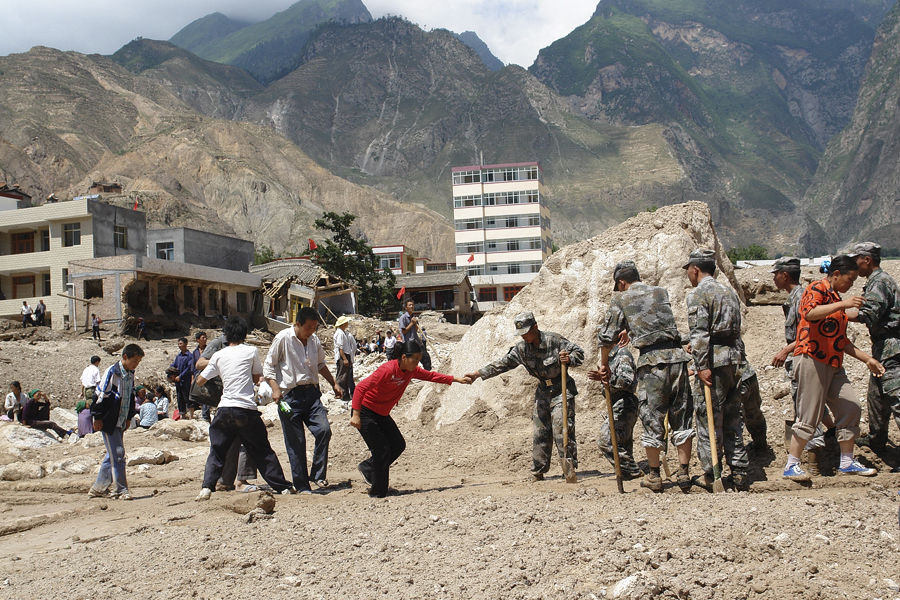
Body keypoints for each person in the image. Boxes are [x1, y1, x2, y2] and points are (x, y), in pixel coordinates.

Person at [594, 260, 695, 492]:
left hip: (652, 363)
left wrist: (603, 364)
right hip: (678, 359)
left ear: (621, 282)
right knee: (682, 416)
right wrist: (630, 331)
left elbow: (606, 336)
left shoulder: (621, 298)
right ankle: (683, 473)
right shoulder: (661, 292)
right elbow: (656, 323)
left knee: (652, 417)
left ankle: (654, 475)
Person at [783, 255, 885, 481]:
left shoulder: (835, 297)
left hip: (833, 362)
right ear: (836, 275)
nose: (851, 284)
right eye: (849, 279)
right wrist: (843, 305)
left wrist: (867, 359)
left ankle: (847, 461)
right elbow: (808, 313)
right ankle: (792, 465)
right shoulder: (817, 289)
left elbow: (841, 340)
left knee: (850, 407)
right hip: (811, 358)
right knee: (809, 414)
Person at [465, 312, 584, 481]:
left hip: (561, 390)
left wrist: (570, 358)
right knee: (540, 431)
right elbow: (503, 363)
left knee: (562, 428)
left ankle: (569, 469)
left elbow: (579, 353)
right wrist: (477, 374)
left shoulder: (554, 340)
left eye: (527, 332)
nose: (524, 336)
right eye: (521, 333)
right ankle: (538, 471)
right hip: (543, 392)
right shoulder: (521, 349)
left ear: (535, 327)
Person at [352, 339, 470, 497]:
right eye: (414, 359)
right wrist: (356, 414)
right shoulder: (387, 370)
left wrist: (456, 379)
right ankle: (378, 492)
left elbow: (431, 376)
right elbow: (360, 387)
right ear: (403, 358)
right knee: (382, 449)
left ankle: (368, 468)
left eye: (418, 360)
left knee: (398, 444)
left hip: (381, 413)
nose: (417, 363)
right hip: (366, 411)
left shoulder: (411, 371)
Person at [196, 316, 294, 501]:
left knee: (217, 450)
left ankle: (206, 488)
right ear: (244, 334)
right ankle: (282, 487)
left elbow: (200, 380)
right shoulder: (251, 351)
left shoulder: (218, 355)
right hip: (246, 410)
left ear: (226, 336)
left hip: (224, 409)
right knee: (262, 450)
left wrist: (221, 373)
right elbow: (258, 376)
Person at [684, 249, 750, 491]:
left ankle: (712, 473)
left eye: (689, 271)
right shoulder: (729, 292)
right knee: (734, 416)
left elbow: (700, 334)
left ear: (695, 269)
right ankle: (740, 471)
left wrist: (701, 366)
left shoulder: (698, 294)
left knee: (707, 417)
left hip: (714, 360)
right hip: (733, 359)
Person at [263, 306, 342, 493]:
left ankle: (317, 475)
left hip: (312, 394)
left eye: (314, 328)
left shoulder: (313, 340)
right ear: (297, 324)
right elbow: (269, 367)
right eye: (308, 327)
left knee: (324, 430)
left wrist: (333, 383)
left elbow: (321, 364)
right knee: (296, 442)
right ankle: (301, 485)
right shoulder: (283, 338)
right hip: (289, 397)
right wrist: (275, 389)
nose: (311, 331)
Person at [770, 256, 828, 473]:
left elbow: (809, 332)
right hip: (801, 357)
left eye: (776, 275)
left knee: (807, 410)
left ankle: (813, 463)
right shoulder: (795, 297)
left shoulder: (802, 297)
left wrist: (786, 350)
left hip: (805, 358)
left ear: (785, 275)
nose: (774, 279)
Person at [850, 242, 900, 462]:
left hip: (891, 349)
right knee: (877, 398)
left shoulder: (879, 282)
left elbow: (869, 314)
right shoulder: (876, 281)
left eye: (856, 260)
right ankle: (877, 440)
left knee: (895, 398)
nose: (854, 265)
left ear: (867, 260)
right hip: (882, 348)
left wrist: (836, 311)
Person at [88, 344, 144, 500]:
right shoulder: (113, 373)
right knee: (118, 454)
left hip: (120, 420)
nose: (136, 364)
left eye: (138, 361)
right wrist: (98, 417)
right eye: (135, 360)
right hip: (108, 420)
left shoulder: (130, 373)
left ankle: (98, 488)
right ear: (125, 357)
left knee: (112, 455)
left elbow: (130, 397)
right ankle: (121, 489)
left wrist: (128, 418)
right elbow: (100, 396)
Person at [595, 343, 642, 479]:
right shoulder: (610, 357)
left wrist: (606, 379)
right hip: (617, 402)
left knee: (606, 440)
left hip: (625, 403)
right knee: (622, 442)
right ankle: (628, 474)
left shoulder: (622, 354)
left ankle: (632, 470)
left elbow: (626, 380)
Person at [735, 359, 768, 452]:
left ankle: (737, 456)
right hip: (747, 374)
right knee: (753, 413)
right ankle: (760, 446)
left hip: (732, 379)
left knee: (732, 418)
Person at [398, 299, 431, 370]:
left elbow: (415, 330)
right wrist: (412, 323)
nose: (412, 306)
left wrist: (415, 323)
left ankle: (428, 373)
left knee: (425, 357)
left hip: (417, 341)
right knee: (411, 361)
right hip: (409, 343)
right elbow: (404, 331)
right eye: (410, 305)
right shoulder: (403, 318)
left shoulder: (413, 317)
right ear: (406, 307)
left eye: (413, 305)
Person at [169, 337, 195, 419]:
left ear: (186, 344)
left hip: (185, 380)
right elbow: (175, 364)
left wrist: (180, 376)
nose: (179, 345)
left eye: (181, 344)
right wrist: (171, 369)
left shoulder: (190, 356)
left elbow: (189, 368)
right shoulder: (178, 356)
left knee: (187, 397)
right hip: (178, 380)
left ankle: (191, 415)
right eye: (178, 344)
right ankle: (183, 415)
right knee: (180, 398)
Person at [333, 315, 356, 406]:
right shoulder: (340, 333)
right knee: (342, 376)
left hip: (346, 355)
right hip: (343, 356)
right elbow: (340, 348)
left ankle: (345, 395)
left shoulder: (342, 333)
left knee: (346, 377)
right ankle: (341, 394)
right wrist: (345, 359)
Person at [193, 331, 212, 422]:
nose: (205, 339)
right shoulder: (195, 352)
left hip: (207, 374)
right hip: (198, 375)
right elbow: (193, 365)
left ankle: (205, 415)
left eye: (205, 338)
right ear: (198, 340)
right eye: (202, 338)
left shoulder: (210, 349)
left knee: (206, 394)